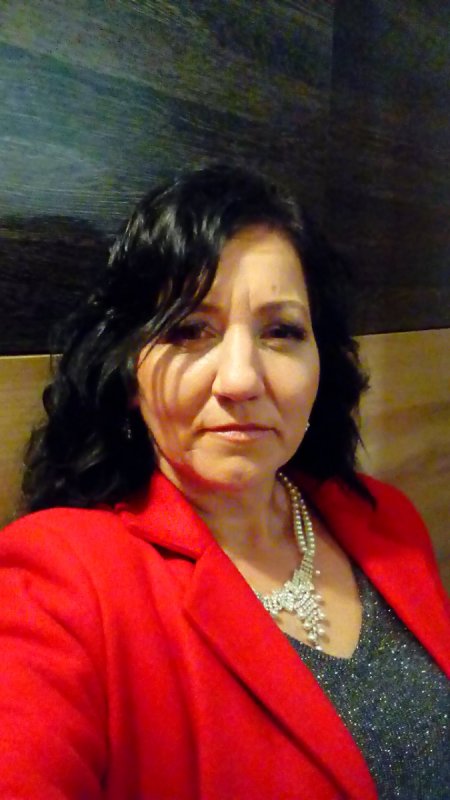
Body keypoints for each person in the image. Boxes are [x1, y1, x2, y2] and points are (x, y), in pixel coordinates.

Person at [0, 163, 448, 800]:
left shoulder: (387, 520)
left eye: (281, 332)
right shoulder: (57, 583)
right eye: (189, 330)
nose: (240, 379)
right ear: (129, 370)